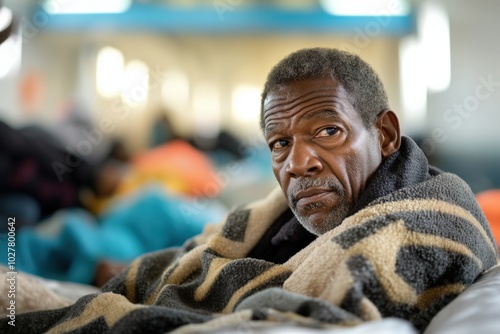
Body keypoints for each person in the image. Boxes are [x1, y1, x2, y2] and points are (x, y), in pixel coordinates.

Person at [3, 48, 498, 333]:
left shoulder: (419, 228)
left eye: (329, 131)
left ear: (386, 135)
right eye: (280, 143)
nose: (297, 162)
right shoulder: (292, 212)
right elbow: (189, 262)